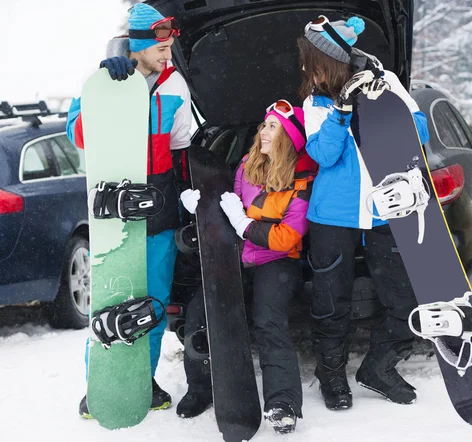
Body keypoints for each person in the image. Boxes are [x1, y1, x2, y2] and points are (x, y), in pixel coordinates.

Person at [66, 3, 200, 418]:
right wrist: (107, 91)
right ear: (138, 44)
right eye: (160, 47)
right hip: (114, 214)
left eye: (169, 46)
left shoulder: (176, 85)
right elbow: (79, 135)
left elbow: (185, 148)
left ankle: (140, 379)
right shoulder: (102, 81)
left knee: (153, 306)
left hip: (158, 210)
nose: (167, 53)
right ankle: (101, 385)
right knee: (111, 300)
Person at [297, 15, 431, 410]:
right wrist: (341, 110)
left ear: (329, 58)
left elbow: (419, 132)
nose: (304, 67)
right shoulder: (315, 102)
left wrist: (380, 100)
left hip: (385, 211)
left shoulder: (385, 81)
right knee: (330, 303)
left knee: (403, 299)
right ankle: (332, 376)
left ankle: (379, 367)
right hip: (332, 217)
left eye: (309, 58)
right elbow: (323, 154)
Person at [213, 99, 316, 433]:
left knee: (268, 322)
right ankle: (202, 389)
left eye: (273, 126)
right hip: (241, 257)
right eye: (264, 125)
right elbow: (228, 204)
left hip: (279, 262)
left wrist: (245, 226)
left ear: (289, 136)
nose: (264, 131)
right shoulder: (247, 165)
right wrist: (200, 208)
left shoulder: (302, 179)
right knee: (209, 313)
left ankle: (283, 402)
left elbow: (287, 236)